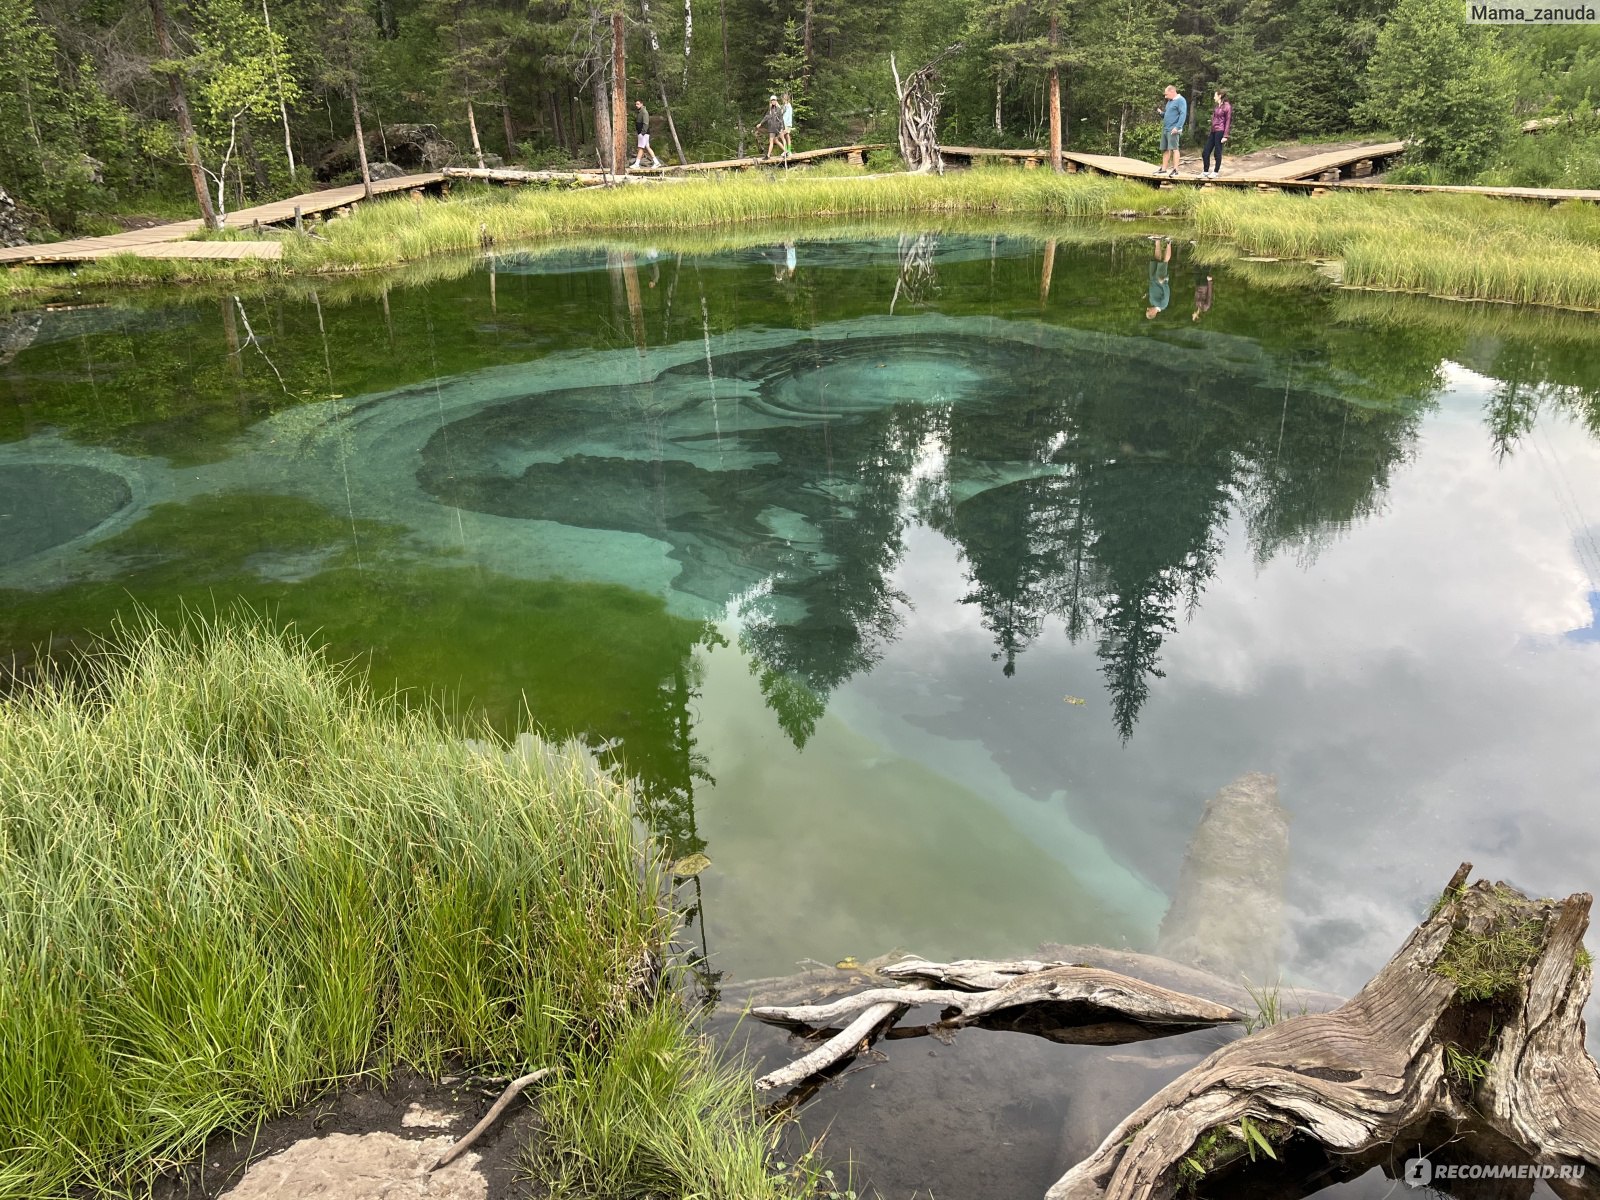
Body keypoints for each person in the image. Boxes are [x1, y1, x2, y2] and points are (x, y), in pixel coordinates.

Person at [1201, 90, 1231, 179]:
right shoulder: (1217, 106)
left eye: (1215, 95)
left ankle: (1215, 172)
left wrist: (1225, 135)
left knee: (1217, 152)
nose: (1214, 97)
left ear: (1220, 96)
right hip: (1213, 131)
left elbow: (1228, 121)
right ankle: (1205, 171)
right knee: (1205, 152)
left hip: (1220, 131)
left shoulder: (1227, 106)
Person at [1158, 85, 1187, 177]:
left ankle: (1175, 170)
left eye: (1166, 94)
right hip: (1166, 128)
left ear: (1172, 92)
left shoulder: (1181, 100)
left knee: (1175, 149)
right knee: (1165, 149)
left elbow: (1183, 114)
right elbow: (1167, 114)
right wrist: (1161, 113)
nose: (1165, 97)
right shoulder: (1169, 102)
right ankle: (1163, 169)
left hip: (1173, 129)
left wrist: (1178, 127)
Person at [1145, 235, 1173, 319]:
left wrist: (1146, 294)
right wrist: (1163, 282)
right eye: (1148, 311)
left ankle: (1157, 240)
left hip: (1152, 278)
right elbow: (1167, 294)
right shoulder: (1162, 305)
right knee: (1164, 262)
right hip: (1160, 279)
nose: (1147, 308)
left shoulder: (1152, 302)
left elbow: (1154, 292)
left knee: (1156, 259)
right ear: (1153, 313)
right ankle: (1169, 242)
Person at [631, 99, 663, 170]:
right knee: (647, 147)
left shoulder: (644, 112)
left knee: (641, 148)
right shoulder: (640, 112)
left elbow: (646, 123)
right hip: (642, 133)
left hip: (644, 133)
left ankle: (637, 164)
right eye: (636, 104)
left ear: (642, 104)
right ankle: (656, 162)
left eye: (638, 104)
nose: (636, 105)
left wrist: (642, 133)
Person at [780, 92, 795, 157]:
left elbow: (789, 115)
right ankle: (787, 151)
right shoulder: (784, 106)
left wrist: (789, 124)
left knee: (783, 135)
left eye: (783, 98)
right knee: (787, 136)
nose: (783, 100)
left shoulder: (788, 106)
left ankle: (787, 150)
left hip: (787, 123)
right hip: (783, 123)